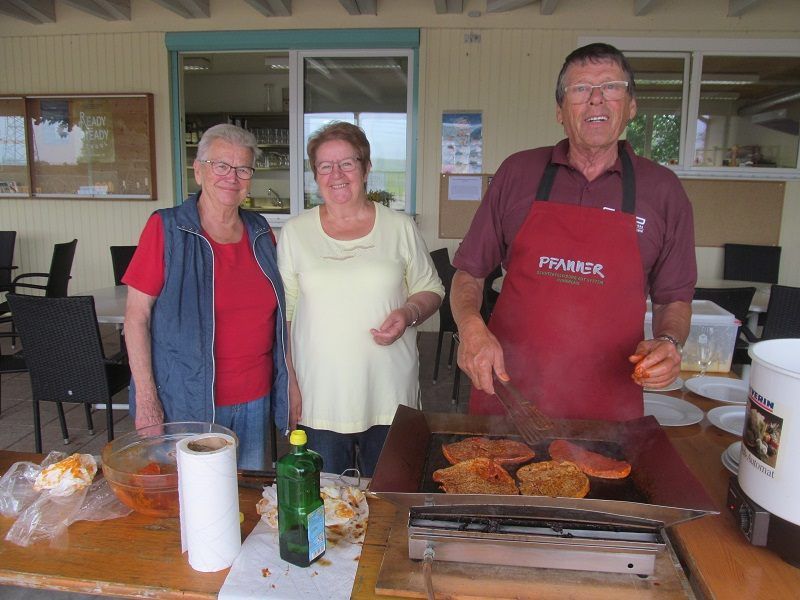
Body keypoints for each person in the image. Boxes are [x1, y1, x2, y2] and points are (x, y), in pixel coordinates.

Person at [451, 43, 696, 420]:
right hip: (509, 392)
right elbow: (470, 272)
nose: (596, 99)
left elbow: (673, 300)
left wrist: (668, 342)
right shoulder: (517, 173)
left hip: (608, 404)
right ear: (560, 112)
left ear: (630, 106)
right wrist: (471, 327)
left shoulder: (663, 191)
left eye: (611, 86)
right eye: (580, 89)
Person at [277, 121, 444, 477]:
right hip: (320, 396)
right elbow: (286, 315)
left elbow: (431, 288)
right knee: (326, 505)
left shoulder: (399, 227)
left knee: (389, 497)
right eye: (325, 166)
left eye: (347, 163)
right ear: (315, 174)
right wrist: (290, 381)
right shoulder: (294, 233)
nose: (337, 174)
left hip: (389, 393)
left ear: (366, 169)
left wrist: (409, 311)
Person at [123, 123, 289, 470]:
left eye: (243, 168)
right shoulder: (167, 228)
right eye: (221, 166)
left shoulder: (260, 231)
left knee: (245, 499)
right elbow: (136, 318)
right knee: (188, 504)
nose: (232, 176)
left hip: (255, 397)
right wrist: (147, 401)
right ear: (198, 171)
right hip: (185, 401)